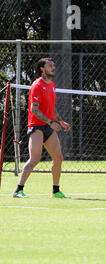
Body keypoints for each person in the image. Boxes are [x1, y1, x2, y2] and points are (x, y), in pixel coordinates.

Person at [13, 57, 71, 198]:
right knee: (35, 159)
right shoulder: (37, 85)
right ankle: (18, 190)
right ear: (42, 69)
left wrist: (60, 121)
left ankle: (56, 191)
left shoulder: (52, 85)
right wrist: (51, 123)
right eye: (50, 65)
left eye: (53, 65)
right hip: (37, 127)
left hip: (48, 127)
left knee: (58, 157)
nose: (53, 67)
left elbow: (51, 108)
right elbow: (34, 109)